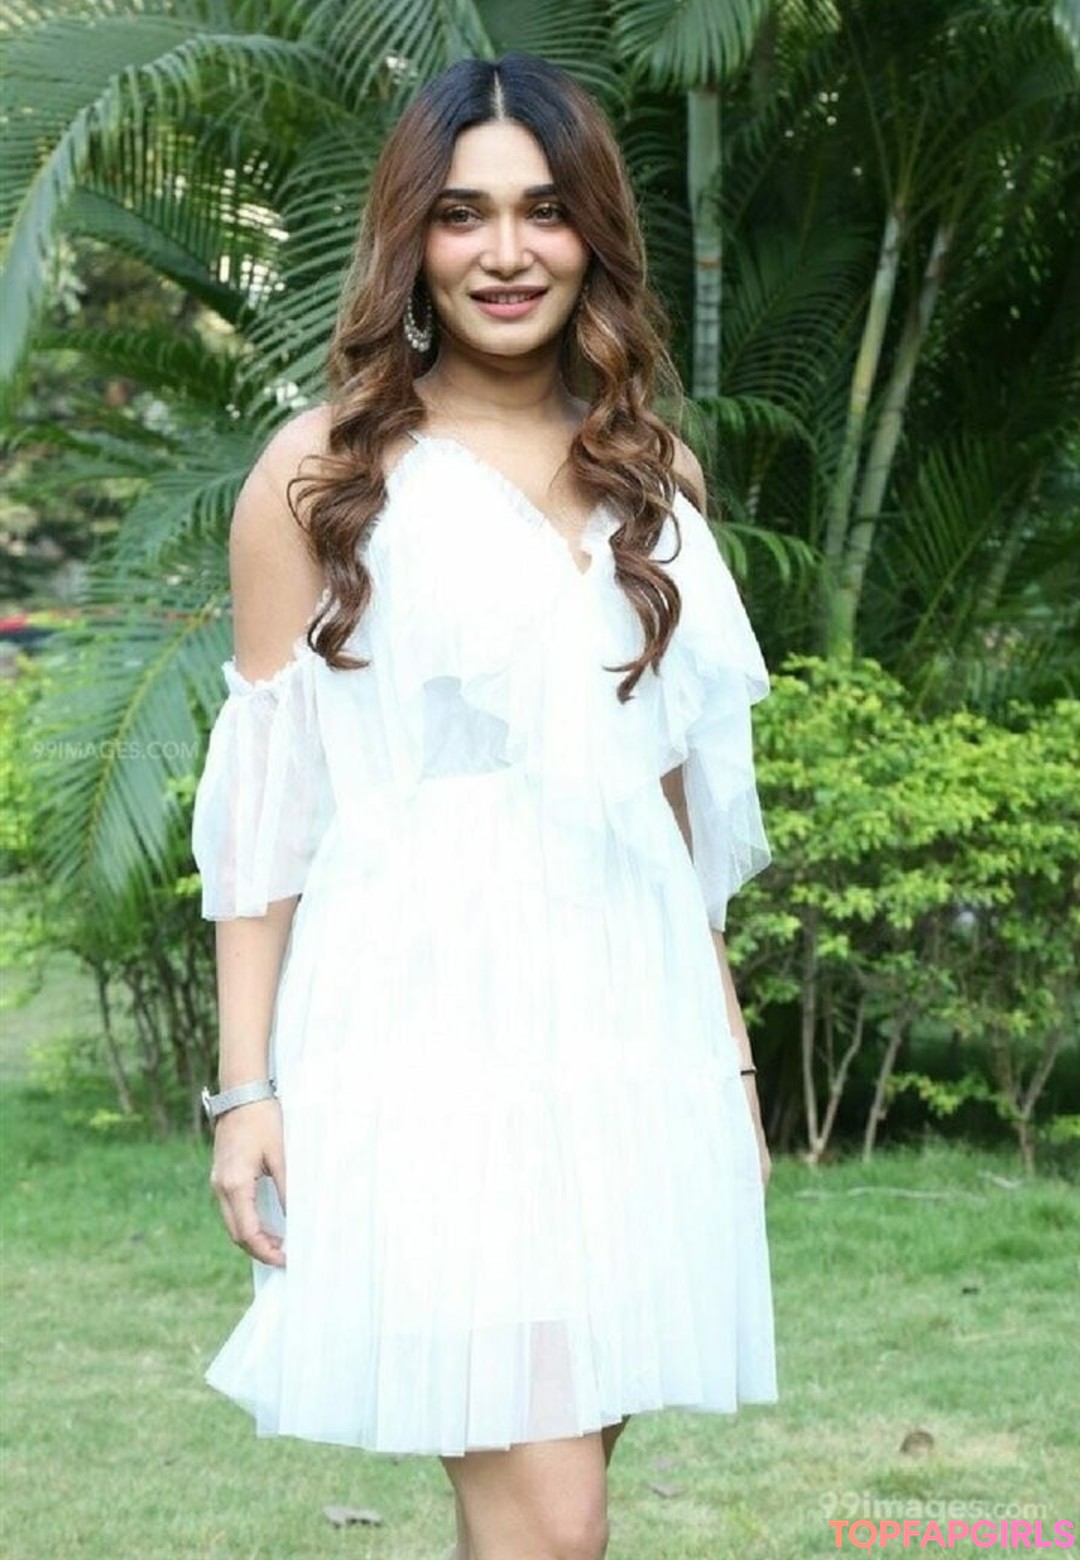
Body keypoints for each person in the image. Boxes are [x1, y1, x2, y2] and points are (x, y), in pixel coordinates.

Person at [191, 51, 777, 1560]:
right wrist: (246, 1096)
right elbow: (267, 821)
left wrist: (726, 1065)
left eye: (542, 211)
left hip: (632, 1035)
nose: (506, 252)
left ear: (593, 234)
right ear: (413, 237)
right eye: (462, 215)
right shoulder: (319, 475)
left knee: (554, 1500)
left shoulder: (653, 471)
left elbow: (669, 813)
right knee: (553, 1523)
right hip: (424, 1036)